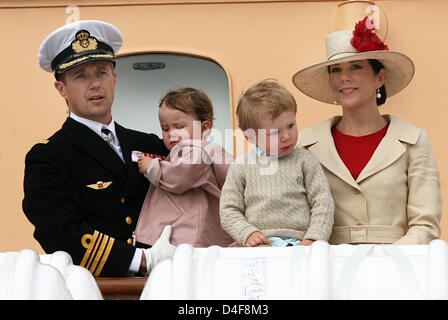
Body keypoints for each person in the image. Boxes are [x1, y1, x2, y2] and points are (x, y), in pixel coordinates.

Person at [23, 20, 176, 277]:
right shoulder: (49, 156)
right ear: (61, 88)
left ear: (114, 79)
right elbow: (59, 232)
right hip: (98, 288)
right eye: (81, 76)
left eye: (102, 72)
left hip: (167, 283)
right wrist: (141, 260)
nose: (95, 84)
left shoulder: (149, 144)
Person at [293, 16, 441, 245]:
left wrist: (384, 263)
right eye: (335, 70)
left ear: (379, 78)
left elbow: (425, 226)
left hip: (397, 270)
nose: (344, 77)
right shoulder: (305, 144)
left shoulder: (415, 140)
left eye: (355, 67)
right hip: (327, 270)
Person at [219, 79, 334, 247]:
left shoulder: (306, 160)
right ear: (250, 137)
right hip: (258, 244)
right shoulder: (241, 166)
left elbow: (323, 202)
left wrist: (314, 238)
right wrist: (248, 233)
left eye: (290, 125)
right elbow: (228, 209)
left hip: (300, 244)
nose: (286, 136)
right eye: (275, 132)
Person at [135, 87, 234, 247]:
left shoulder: (196, 150)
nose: (171, 133)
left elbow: (180, 176)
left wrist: (151, 167)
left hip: (188, 234)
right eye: (165, 128)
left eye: (179, 126)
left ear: (203, 128)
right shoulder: (191, 150)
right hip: (186, 232)